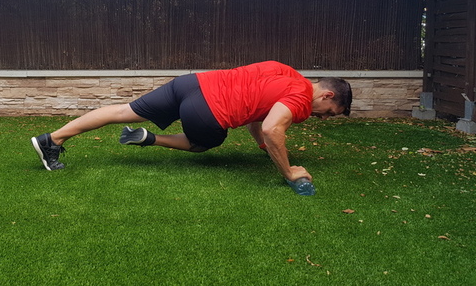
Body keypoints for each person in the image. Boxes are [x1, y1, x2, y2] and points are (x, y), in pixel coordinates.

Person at [31, 61, 352, 183]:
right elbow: (272, 128)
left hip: (191, 83)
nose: (323, 118)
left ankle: (52, 139)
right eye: (329, 113)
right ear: (326, 96)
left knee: (122, 110)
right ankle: (151, 139)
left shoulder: (285, 71)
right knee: (205, 142)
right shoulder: (298, 100)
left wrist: (261, 145)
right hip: (207, 110)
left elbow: (260, 119)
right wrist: (289, 172)